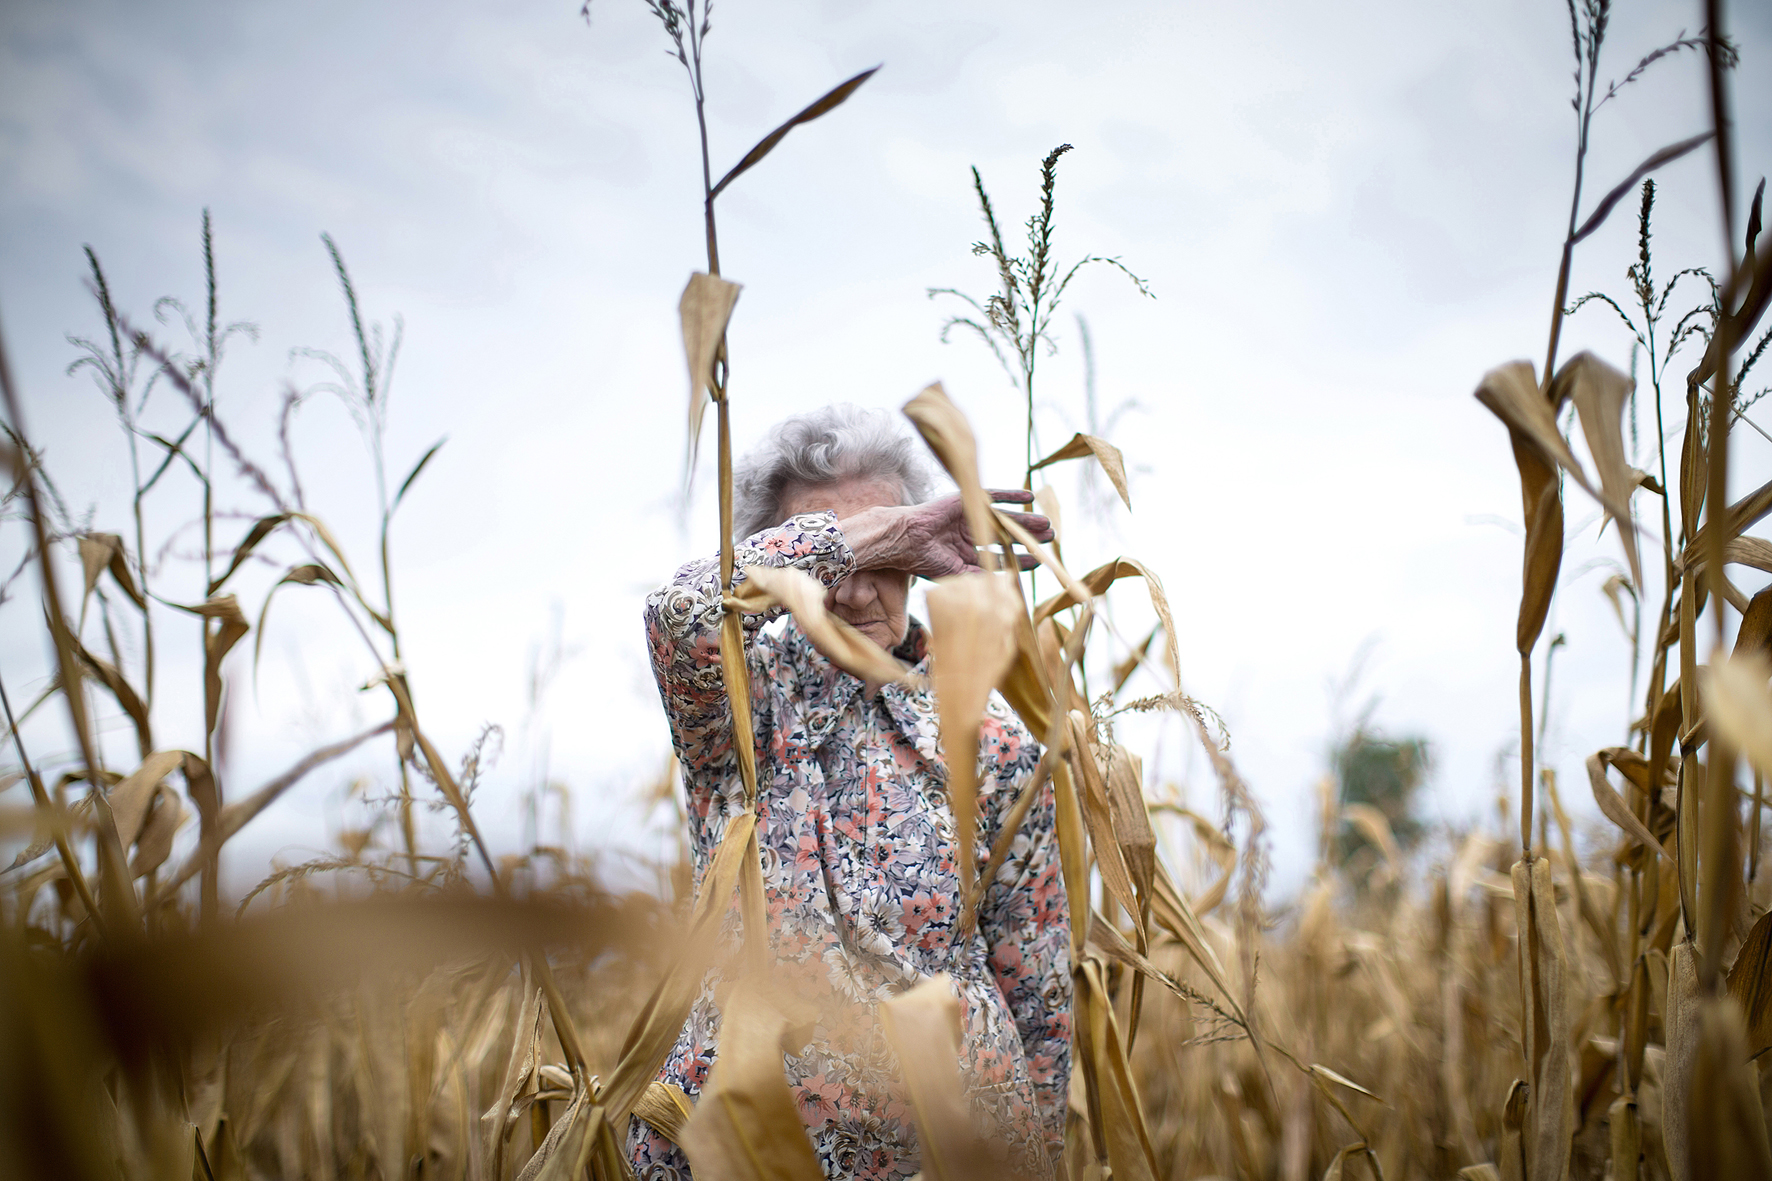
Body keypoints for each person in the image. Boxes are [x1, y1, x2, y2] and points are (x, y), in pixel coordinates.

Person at [631, 404, 1072, 1180]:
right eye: (825, 563)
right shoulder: (742, 706)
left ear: (925, 558)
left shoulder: (994, 744)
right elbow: (679, 616)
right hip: (748, 1153)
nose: (855, 592)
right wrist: (868, 537)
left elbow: (1039, 1001)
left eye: (889, 555)